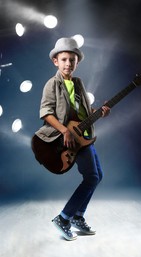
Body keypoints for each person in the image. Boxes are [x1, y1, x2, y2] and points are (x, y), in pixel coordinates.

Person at [32, 37, 110, 241]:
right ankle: (64, 218)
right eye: (64, 59)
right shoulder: (52, 84)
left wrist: (98, 112)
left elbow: (82, 113)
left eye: (72, 60)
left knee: (97, 176)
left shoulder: (78, 83)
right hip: (64, 139)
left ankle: (78, 217)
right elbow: (46, 113)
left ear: (77, 63)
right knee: (92, 177)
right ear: (55, 61)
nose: (68, 63)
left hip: (82, 137)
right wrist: (64, 131)